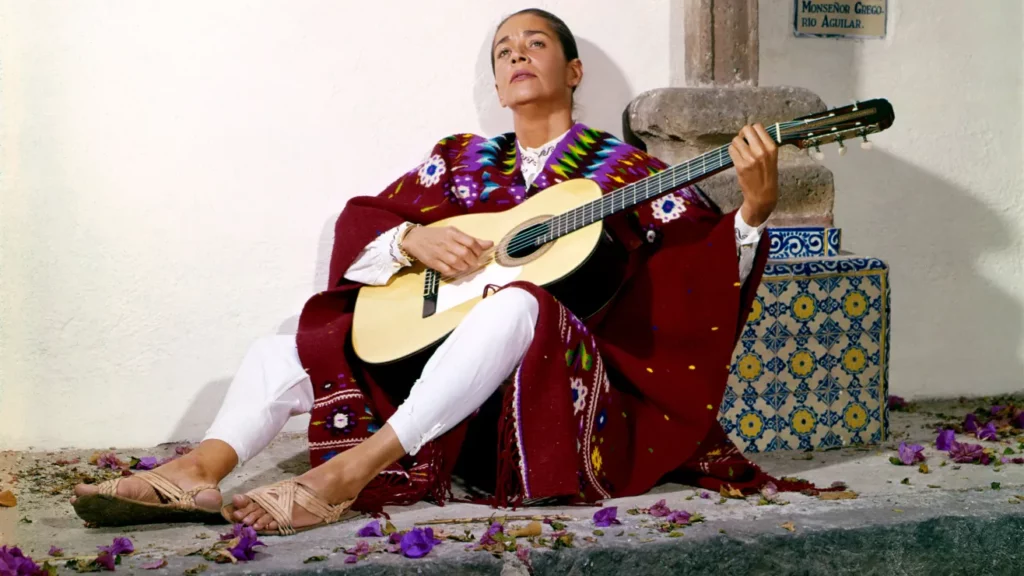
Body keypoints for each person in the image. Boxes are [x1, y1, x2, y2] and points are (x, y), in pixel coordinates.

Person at [72, 8, 788, 535]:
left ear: (573, 71)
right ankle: (202, 469)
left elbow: (695, 273)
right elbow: (367, 221)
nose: (517, 55)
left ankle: (350, 473)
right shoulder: (463, 159)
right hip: (439, 380)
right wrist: (413, 238)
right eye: (504, 49)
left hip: (546, 397)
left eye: (535, 42)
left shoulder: (622, 172)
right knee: (287, 344)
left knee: (517, 303)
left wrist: (753, 207)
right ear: (498, 85)